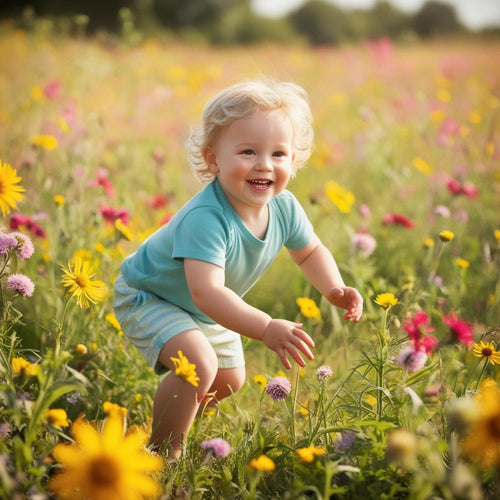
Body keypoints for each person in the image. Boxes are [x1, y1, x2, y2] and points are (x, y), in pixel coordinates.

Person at [113, 79, 363, 459]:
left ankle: (180, 417)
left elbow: (310, 251)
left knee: (229, 379)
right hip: (150, 296)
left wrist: (333, 288)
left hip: (200, 306)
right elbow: (207, 292)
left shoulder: (285, 208)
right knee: (197, 364)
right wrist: (265, 327)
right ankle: (162, 452)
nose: (264, 164)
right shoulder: (207, 217)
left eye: (278, 154)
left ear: (293, 160)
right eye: (248, 151)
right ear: (214, 159)